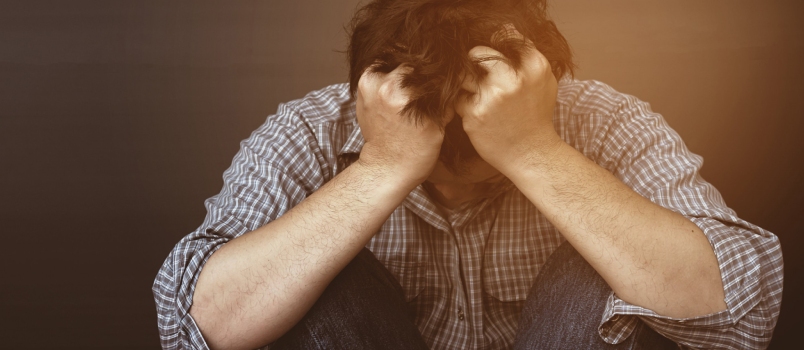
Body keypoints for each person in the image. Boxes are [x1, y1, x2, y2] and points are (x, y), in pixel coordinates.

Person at [153, 0, 783, 349]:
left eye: (482, 161)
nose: (456, 187)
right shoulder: (310, 129)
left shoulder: (604, 121)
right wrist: (382, 168)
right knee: (304, 265)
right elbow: (189, 329)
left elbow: (747, 313)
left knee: (613, 254)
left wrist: (532, 151)